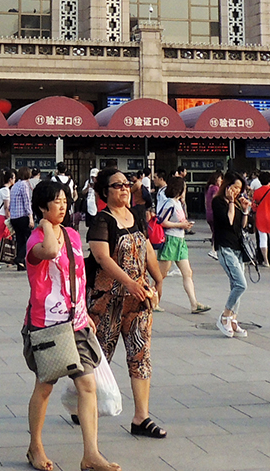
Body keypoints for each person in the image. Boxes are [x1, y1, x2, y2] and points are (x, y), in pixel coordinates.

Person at [23, 179, 117, 471]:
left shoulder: (74, 236)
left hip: (75, 322)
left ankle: (91, 453)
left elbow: (78, 275)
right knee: (45, 386)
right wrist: (46, 226)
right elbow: (50, 252)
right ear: (42, 206)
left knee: (87, 385)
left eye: (65, 201)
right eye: (55, 202)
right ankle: (35, 446)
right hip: (47, 325)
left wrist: (83, 310)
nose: (62, 207)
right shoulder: (36, 239)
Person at [87, 169, 165, 438]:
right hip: (107, 301)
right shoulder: (101, 220)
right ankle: (82, 403)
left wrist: (158, 277)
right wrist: (129, 282)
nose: (123, 189)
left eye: (126, 184)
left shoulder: (137, 216)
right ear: (104, 192)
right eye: (116, 185)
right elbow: (102, 258)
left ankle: (141, 417)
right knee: (98, 357)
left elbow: (147, 248)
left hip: (138, 301)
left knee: (140, 355)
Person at [155, 176, 209, 312]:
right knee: (161, 274)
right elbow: (162, 221)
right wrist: (181, 225)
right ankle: (151, 301)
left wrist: (185, 225)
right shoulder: (170, 203)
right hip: (171, 240)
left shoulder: (178, 203)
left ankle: (194, 303)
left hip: (180, 240)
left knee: (187, 272)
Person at [211, 171, 252, 338]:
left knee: (236, 285)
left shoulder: (235, 203)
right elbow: (227, 221)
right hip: (225, 247)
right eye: (234, 187)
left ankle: (233, 319)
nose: (236, 191)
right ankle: (225, 315)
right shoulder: (218, 202)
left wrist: (245, 210)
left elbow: (240, 226)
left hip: (237, 248)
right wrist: (229, 203)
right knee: (240, 284)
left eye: (239, 188)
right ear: (226, 186)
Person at [8, 168, 34, 271]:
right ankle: (19, 258)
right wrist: (30, 216)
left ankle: (21, 264)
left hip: (14, 216)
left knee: (20, 240)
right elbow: (26, 201)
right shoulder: (24, 185)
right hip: (22, 216)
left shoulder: (15, 186)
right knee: (29, 238)